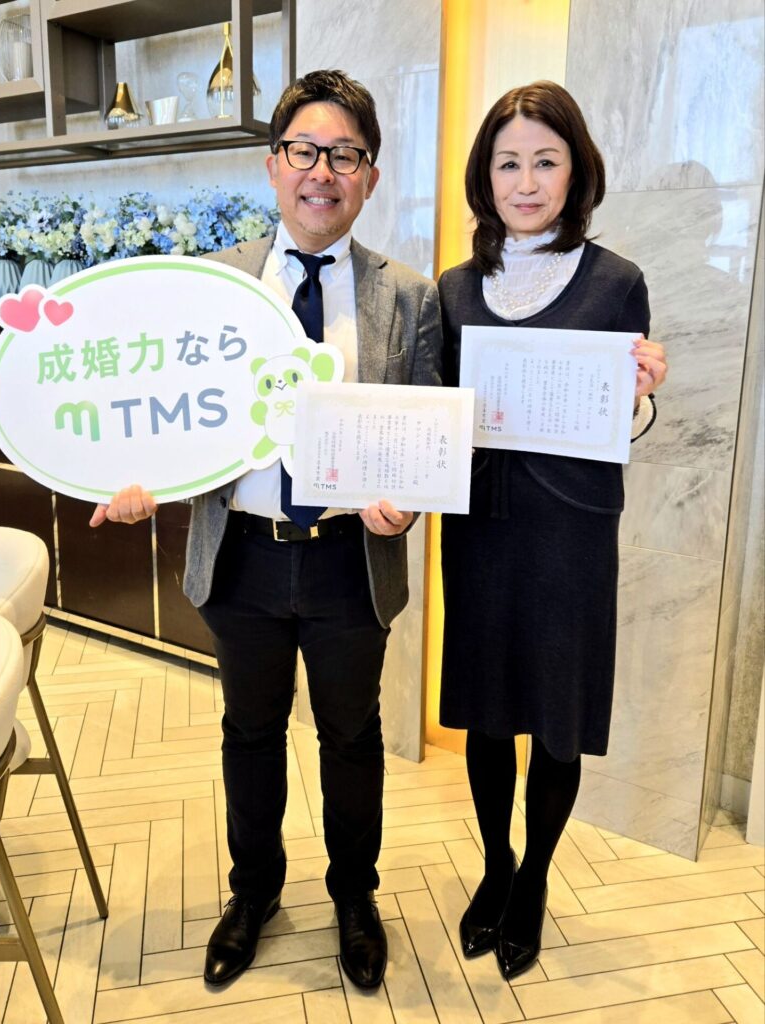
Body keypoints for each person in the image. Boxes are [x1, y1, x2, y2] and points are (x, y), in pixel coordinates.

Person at [89, 70, 442, 989]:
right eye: (304, 150)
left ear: (370, 176)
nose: (322, 171)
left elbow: (427, 430)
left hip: (350, 563)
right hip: (240, 556)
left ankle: (355, 898)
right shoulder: (215, 283)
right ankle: (253, 896)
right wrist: (137, 482)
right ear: (273, 164)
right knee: (248, 732)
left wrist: (407, 497)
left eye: (345, 155)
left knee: (351, 737)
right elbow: (165, 409)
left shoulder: (409, 296)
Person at [437, 80, 667, 980]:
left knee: (557, 716)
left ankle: (534, 877)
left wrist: (639, 390)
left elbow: (625, 422)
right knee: (489, 713)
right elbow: (439, 411)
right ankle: (496, 866)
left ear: (576, 172)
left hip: (571, 531)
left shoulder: (617, 283)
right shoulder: (455, 289)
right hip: (482, 527)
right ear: (484, 176)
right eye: (508, 163)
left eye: (545, 161)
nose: (525, 182)